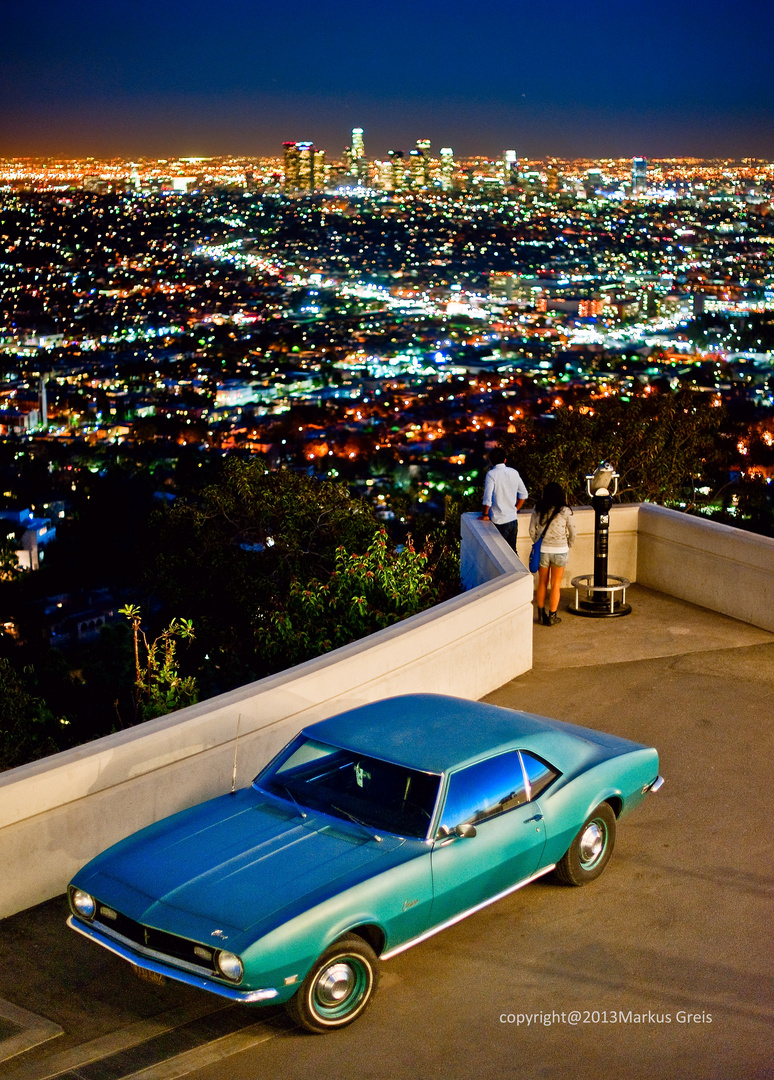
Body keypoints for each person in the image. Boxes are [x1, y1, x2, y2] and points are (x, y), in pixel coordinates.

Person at [529, 482, 575, 626]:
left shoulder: (538, 508)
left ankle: (541, 614)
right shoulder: (565, 510)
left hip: (543, 550)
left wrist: (537, 542)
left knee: (542, 582)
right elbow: (573, 532)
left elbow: (532, 530)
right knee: (556, 584)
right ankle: (552, 616)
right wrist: (568, 545)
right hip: (560, 551)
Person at [481, 447, 528, 552]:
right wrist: (515, 508)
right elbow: (524, 494)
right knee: (512, 551)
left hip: (499, 520)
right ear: (505, 459)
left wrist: (485, 515)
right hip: (512, 519)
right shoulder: (514, 472)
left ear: (491, 461)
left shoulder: (491, 474)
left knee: (500, 552)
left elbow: (487, 498)